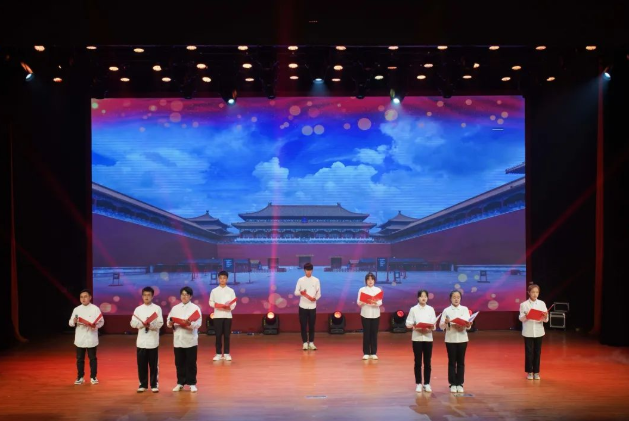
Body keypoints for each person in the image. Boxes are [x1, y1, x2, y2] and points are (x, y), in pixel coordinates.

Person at [167, 286, 202, 392]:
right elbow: (169, 321)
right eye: (182, 294)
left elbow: (198, 324)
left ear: (190, 296)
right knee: (179, 363)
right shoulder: (175, 308)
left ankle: (192, 383)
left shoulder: (195, 308)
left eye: (186, 295)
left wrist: (189, 323)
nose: (184, 296)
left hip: (190, 339)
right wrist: (170, 322)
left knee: (191, 362)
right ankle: (180, 383)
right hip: (178, 339)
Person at [130, 286, 164, 393]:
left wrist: (150, 325)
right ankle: (143, 384)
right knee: (141, 365)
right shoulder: (138, 309)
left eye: (149, 295)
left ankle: (154, 384)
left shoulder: (157, 308)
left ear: (152, 296)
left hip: (152, 341)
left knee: (153, 365)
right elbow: (132, 323)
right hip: (141, 342)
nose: (146, 297)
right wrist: (142, 324)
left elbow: (160, 323)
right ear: (142, 296)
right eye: (144, 295)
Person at [68, 289, 104, 385]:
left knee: (93, 358)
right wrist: (74, 321)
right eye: (81, 297)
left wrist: (95, 326)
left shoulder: (95, 309)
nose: (83, 299)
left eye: (85, 296)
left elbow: (101, 322)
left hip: (91, 336)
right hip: (80, 338)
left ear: (90, 297)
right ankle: (80, 377)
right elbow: (70, 323)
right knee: (80, 359)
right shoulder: (76, 309)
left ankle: (93, 377)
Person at [439, 290, 472, 393]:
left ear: (460, 298)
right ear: (450, 298)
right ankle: (453, 383)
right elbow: (441, 326)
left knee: (461, 362)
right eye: (454, 297)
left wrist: (467, 325)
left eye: (458, 297)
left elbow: (468, 325)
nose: (456, 299)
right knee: (452, 362)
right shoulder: (446, 310)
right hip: (450, 339)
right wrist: (446, 323)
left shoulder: (465, 309)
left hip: (462, 339)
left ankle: (460, 383)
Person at [405, 289, 436, 393]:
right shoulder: (413, 309)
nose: (423, 298)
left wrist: (431, 327)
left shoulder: (431, 309)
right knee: (418, 361)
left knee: (427, 362)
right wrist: (414, 325)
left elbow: (434, 325)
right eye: (421, 296)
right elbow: (408, 323)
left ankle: (427, 383)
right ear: (418, 298)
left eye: (425, 296)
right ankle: (418, 383)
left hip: (428, 338)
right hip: (417, 338)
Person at [519, 284, 549, 380]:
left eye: (537, 292)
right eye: (533, 292)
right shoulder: (524, 304)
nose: (535, 294)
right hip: (528, 331)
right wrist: (527, 316)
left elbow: (546, 320)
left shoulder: (542, 304)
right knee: (529, 352)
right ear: (529, 293)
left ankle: (536, 372)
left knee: (537, 352)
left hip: (539, 331)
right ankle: (529, 372)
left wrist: (545, 316)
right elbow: (521, 318)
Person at [209, 270, 237, 361]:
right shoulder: (214, 291)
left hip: (227, 316)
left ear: (227, 279)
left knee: (227, 335)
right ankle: (218, 353)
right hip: (217, 315)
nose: (222, 280)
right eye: (220, 278)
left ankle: (226, 353)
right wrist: (218, 305)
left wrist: (229, 307)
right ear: (218, 279)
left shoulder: (231, 291)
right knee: (218, 335)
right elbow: (211, 302)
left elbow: (234, 303)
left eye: (224, 278)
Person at [294, 262, 321, 350]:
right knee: (303, 325)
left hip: (312, 307)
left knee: (312, 325)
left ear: (312, 270)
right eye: (307, 270)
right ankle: (305, 343)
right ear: (304, 270)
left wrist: (315, 298)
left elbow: (319, 293)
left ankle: (311, 342)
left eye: (310, 270)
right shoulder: (300, 280)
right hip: (303, 306)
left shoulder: (316, 280)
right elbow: (296, 292)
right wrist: (301, 293)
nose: (308, 272)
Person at [357, 272, 382, 360]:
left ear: (374, 281)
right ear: (366, 281)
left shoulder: (378, 290)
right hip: (365, 314)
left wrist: (375, 302)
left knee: (374, 333)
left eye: (372, 279)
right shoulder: (362, 290)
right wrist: (364, 301)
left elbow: (380, 302)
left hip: (375, 314)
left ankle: (374, 352)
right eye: (368, 279)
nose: (370, 281)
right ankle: (366, 352)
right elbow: (358, 302)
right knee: (366, 333)